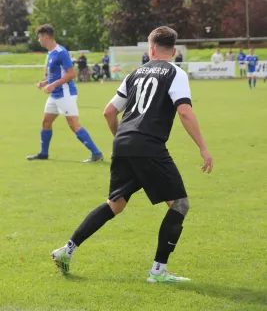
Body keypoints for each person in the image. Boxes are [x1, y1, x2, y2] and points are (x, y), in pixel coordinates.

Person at [51, 26, 213, 282]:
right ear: (174, 50)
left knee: (115, 204)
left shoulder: (134, 74)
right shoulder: (176, 73)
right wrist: (203, 147)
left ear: (150, 49)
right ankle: (158, 272)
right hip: (148, 146)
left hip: (124, 143)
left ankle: (67, 249)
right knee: (180, 204)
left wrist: (120, 141)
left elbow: (108, 112)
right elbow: (184, 111)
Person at [27, 24, 103, 163]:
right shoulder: (50, 53)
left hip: (65, 94)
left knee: (74, 125)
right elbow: (55, 75)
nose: (39, 41)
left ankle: (96, 153)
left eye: (39, 38)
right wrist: (45, 82)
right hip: (54, 95)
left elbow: (71, 74)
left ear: (46, 37)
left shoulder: (61, 52)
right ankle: (43, 153)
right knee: (46, 122)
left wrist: (53, 85)